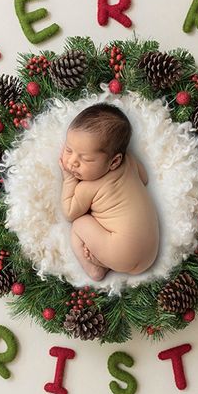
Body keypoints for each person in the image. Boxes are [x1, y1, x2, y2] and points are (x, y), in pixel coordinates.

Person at [59, 102, 159, 281]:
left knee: (79, 224)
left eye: (86, 159)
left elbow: (69, 213)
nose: (72, 161)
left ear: (114, 162)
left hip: (120, 253)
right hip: (149, 255)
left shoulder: (86, 187)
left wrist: (69, 180)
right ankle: (108, 260)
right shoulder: (129, 161)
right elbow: (144, 179)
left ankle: (95, 269)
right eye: (69, 150)